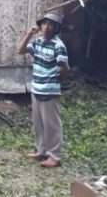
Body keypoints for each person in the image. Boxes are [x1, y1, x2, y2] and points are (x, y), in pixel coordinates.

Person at [17, 13, 69, 168]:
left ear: (56, 28)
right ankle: (41, 151)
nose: (46, 27)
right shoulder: (37, 41)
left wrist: (55, 80)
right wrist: (28, 34)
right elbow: (20, 50)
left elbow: (65, 68)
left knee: (52, 124)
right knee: (38, 122)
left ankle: (55, 156)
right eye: (44, 24)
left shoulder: (58, 45)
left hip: (50, 89)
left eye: (51, 24)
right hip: (36, 88)